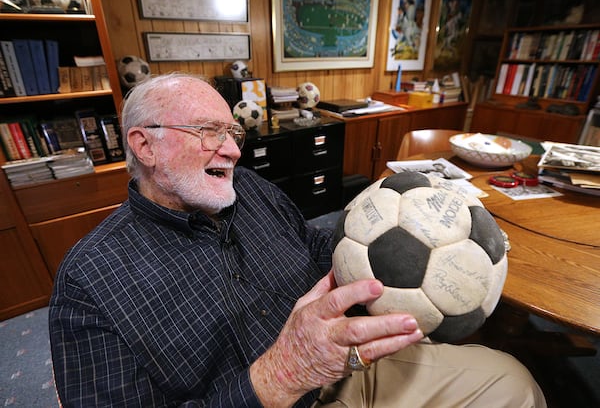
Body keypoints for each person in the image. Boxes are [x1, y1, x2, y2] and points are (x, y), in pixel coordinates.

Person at [49, 73, 546, 407]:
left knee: (513, 382)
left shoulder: (251, 190)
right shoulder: (91, 280)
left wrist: (423, 235)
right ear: (144, 144)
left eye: (233, 133)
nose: (232, 151)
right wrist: (279, 375)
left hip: (345, 372)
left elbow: (315, 248)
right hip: (270, 396)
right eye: (208, 131)